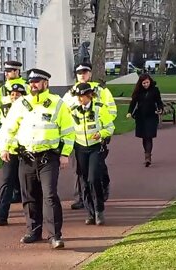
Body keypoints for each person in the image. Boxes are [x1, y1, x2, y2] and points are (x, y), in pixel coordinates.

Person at [0, 68, 75, 249]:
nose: (33, 84)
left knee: (49, 195)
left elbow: (69, 131)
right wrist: (4, 147)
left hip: (49, 157)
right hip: (26, 157)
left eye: (37, 81)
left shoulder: (57, 103)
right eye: (31, 82)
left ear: (45, 83)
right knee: (29, 196)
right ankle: (33, 230)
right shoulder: (21, 103)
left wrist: (65, 154)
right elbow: (8, 128)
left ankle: (55, 235)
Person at [63, 63, 117, 209]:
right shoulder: (70, 93)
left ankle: (103, 185)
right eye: (79, 73)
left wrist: (104, 129)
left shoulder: (101, 90)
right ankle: (81, 197)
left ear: (90, 74)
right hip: (77, 137)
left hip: (98, 134)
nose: (82, 75)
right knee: (78, 169)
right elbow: (63, 112)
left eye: (85, 72)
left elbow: (111, 109)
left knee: (98, 166)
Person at [70, 83, 115, 225]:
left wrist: (101, 133)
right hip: (80, 148)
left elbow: (110, 127)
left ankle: (99, 210)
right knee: (83, 180)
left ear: (89, 95)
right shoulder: (73, 110)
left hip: (95, 148)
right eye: (77, 96)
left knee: (93, 178)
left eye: (81, 96)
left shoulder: (99, 108)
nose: (79, 99)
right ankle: (90, 213)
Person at [0, 61, 29, 203]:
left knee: (23, 166)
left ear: (17, 71)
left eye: (10, 71)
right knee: (9, 165)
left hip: (23, 132)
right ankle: (15, 192)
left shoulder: (26, 86)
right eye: (5, 71)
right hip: (7, 131)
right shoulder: (2, 90)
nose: (6, 73)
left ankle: (23, 193)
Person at [0, 83, 28, 226]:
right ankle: (1, 215)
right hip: (11, 151)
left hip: (26, 152)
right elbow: (4, 131)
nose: (14, 97)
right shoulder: (6, 111)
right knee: (6, 183)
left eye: (18, 94)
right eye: (12, 94)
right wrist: (3, 149)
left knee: (28, 185)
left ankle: (33, 216)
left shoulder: (30, 110)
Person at [126, 74, 163, 167]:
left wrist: (160, 108)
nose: (146, 84)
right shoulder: (138, 92)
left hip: (151, 115)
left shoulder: (155, 90)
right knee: (144, 136)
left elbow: (159, 101)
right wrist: (130, 112)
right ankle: (146, 152)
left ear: (150, 81)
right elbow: (133, 102)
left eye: (147, 82)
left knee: (149, 136)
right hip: (140, 116)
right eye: (144, 83)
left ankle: (148, 156)